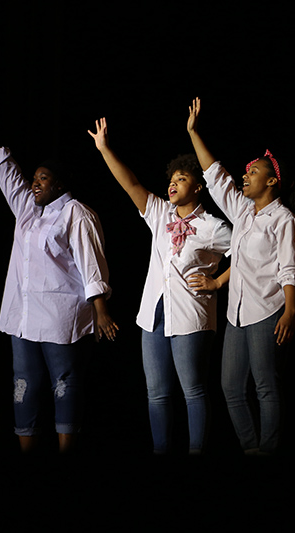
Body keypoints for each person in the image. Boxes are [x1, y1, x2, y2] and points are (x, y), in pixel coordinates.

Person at [0, 91, 117, 455]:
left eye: (43, 178)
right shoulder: (26, 211)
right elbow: (4, 168)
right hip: (21, 316)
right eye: (34, 177)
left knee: (64, 382)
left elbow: (91, 263)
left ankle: (66, 451)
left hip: (58, 316)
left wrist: (101, 311)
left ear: (60, 185)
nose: (34, 183)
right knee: (24, 382)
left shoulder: (75, 214)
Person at [88, 117, 231, 455]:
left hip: (190, 318)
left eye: (182, 178)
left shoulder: (212, 227)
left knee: (193, 391)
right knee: (157, 393)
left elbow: (248, 253)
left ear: (198, 187)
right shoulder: (160, 213)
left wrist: (217, 281)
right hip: (153, 316)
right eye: (171, 178)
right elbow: (130, 184)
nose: (173, 183)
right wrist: (104, 148)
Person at [186, 98, 295, 455]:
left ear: (271, 181)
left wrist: (290, 310)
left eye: (253, 172)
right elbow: (215, 176)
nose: (245, 175)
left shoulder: (284, 220)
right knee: (230, 388)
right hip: (237, 313)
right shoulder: (243, 212)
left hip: (267, 311)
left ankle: (268, 451)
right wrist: (193, 132)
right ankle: (250, 448)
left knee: (265, 386)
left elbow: (289, 268)